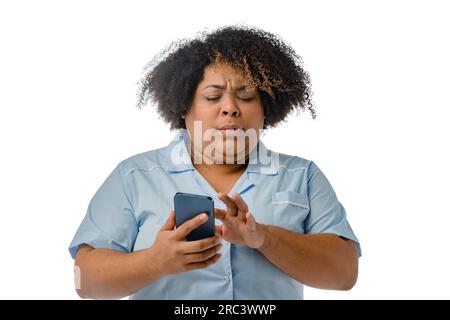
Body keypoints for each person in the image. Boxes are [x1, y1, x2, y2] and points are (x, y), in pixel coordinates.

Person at [69, 26, 361, 300]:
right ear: (184, 107)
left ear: (266, 110)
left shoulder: (302, 176)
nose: (230, 108)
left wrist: (265, 238)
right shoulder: (134, 176)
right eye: (213, 96)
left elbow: (344, 274)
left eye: (246, 96)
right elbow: (84, 282)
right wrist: (154, 261)